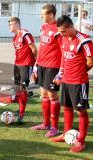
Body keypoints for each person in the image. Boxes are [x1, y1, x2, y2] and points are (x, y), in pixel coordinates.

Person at [50, 15, 93, 153]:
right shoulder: (62, 38)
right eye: (60, 31)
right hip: (66, 80)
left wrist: (79, 71)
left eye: (63, 31)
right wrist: (60, 73)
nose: (61, 34)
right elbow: (64, 56)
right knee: (67, 107)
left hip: (79, 82)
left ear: (70, 27)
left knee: (81, 111)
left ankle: (81, 142)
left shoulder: (84, 40)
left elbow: (90, 61)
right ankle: (65, 134)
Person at [30, 4, 62, 138]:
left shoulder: (59, 29)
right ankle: (46, 123)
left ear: (51, 15)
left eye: (43, 14)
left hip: (53, 66)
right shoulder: (43, 27)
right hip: (42, 65)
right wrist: (36, 66)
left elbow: (63, 50)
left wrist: (61, 71)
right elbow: (42, 47)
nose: (41, 16)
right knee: (43, 94)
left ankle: (55, 127)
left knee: (52, 95)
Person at [8, 17, 37, 123]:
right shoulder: (14, 38)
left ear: (16, 24)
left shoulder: (25, 34)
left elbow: (34, 49)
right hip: (17, 65)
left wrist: (36, 65)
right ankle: (20, 110)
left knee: (23, 88)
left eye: (11, 24)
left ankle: (21, 114)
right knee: (18, 89)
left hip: (26, 65)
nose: (9, 27)